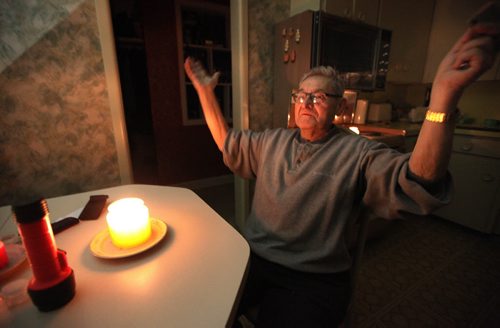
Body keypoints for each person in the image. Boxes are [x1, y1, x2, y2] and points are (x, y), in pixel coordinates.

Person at [184, 22, 500, 327]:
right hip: (253, 258)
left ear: (340, 105)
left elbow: (418, 181)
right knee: (205, 309)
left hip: (313, 279)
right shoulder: (272, 141)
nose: (306, 102)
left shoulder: (359, 153)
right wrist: (205, 92)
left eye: (318, 97)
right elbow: (227, 141)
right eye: (301, 95)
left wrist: (443, 96)